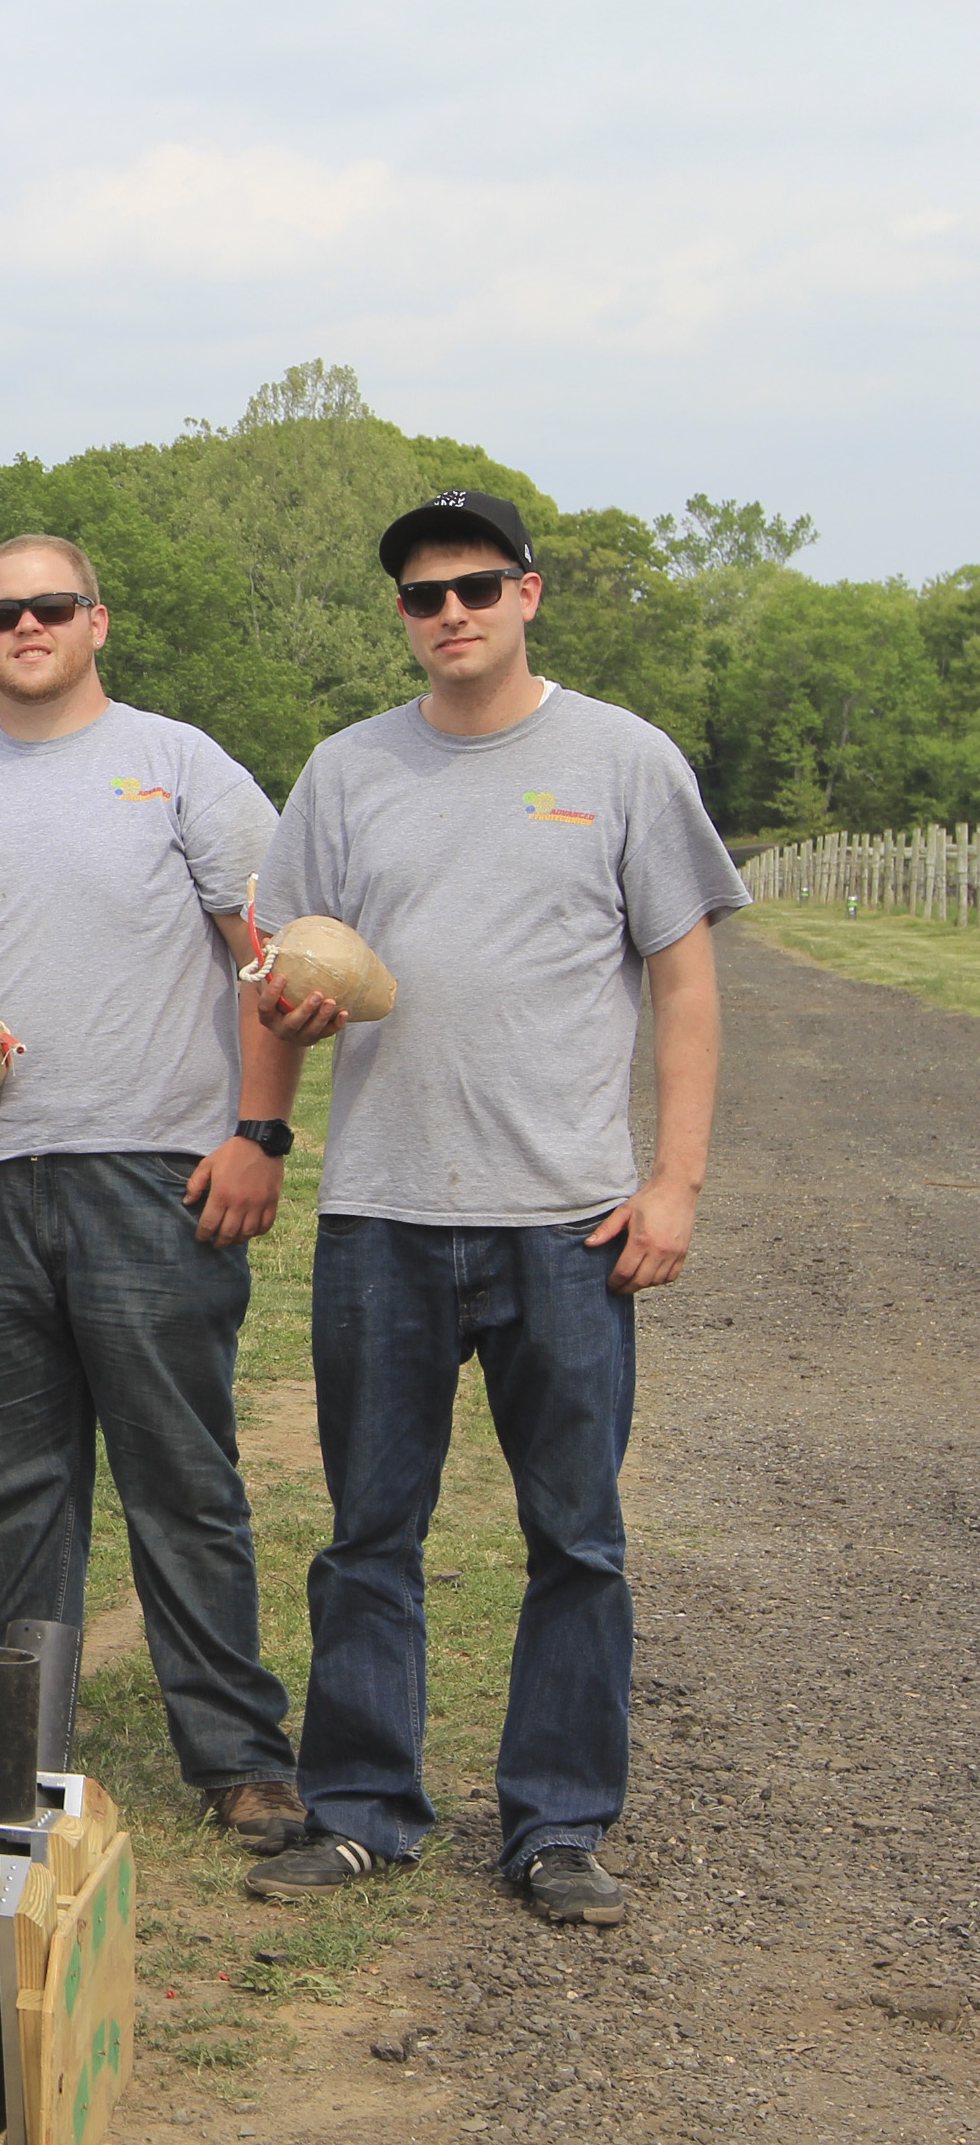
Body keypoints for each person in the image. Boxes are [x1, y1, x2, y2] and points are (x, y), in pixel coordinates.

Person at [242, 491, 742, 1927]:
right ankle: (361, 1811)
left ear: (530, 594)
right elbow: (282, 977)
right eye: (420, 593)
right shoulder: (346, 774)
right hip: (386, 1214)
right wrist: (278, 1067)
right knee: (368, 1530)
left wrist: (676, 1183)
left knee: (575, 1535)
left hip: (567, 1220)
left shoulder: (623, 762)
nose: (448, 610)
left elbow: (686, 983)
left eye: (474, 584)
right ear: (400, 615)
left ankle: (559, 1826)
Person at [0, 535, 312, 1853]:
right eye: (3, 611)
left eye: (52, 605)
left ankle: (237, 1757)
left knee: (181, 1474)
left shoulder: (177, 766)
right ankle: (13, 1760)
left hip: (153, 1177)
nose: (27, 624)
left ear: (98, 620)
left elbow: (271, 958)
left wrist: (258, 1132)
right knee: (7, 1483)